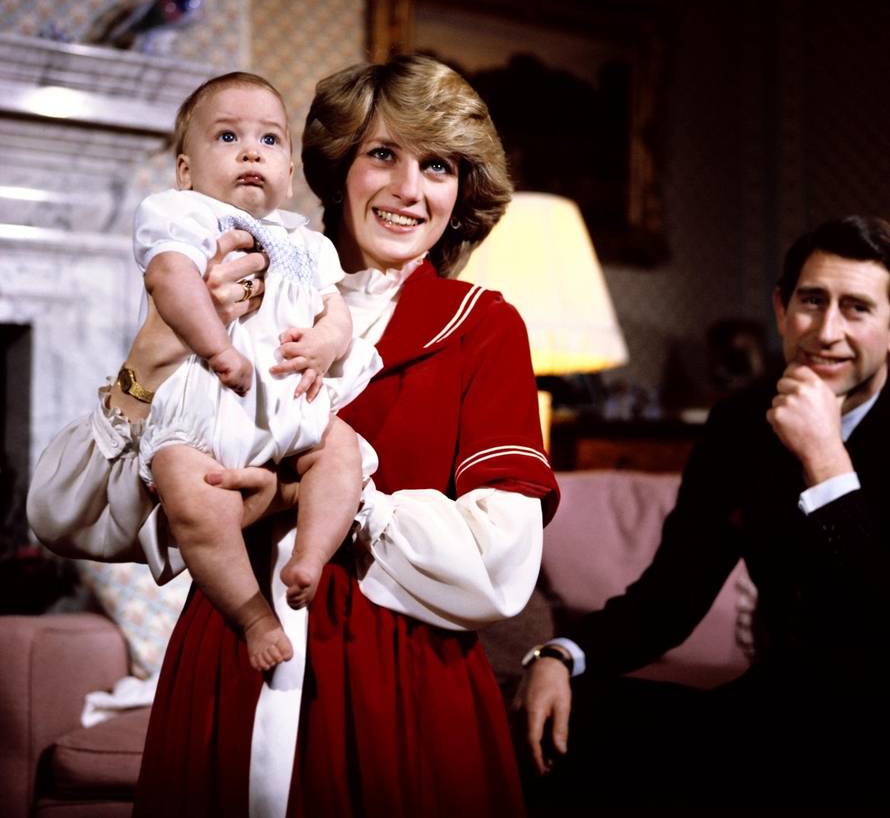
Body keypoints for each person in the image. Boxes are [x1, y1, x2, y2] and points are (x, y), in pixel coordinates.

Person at [29, 54, 559, 817]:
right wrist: (157, 345)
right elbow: (63, 517)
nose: (410, 190)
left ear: (462, 189)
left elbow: (498, 567)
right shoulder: (228, 287)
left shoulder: (481, 327)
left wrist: (301, 492)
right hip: (223, 681)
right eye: (383, 155)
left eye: (438, 165)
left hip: (400, 698)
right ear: (339, 167)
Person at [516, 215, 890, 808]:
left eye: (857, 309)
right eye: (812, 301)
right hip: (779, 709)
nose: (826, 330)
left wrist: (824, 457)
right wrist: (562, 655)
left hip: (879, 722)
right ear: (780, 308)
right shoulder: (741, 423)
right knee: (565, 718)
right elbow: (671, 597)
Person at [132, 71, 381, 671]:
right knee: (190, 490)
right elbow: (169, 280)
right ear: (186, 170)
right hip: (208, 406)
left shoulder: (308, 244)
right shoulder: (183, 215)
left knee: (341, 448)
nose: (250, 151)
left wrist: (324, 343)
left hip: (288, 406)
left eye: (269, 140)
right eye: (227, 137)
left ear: (289, 175)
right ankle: (249, 612)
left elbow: (337, 312)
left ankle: (310, 559)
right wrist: (218, 347)